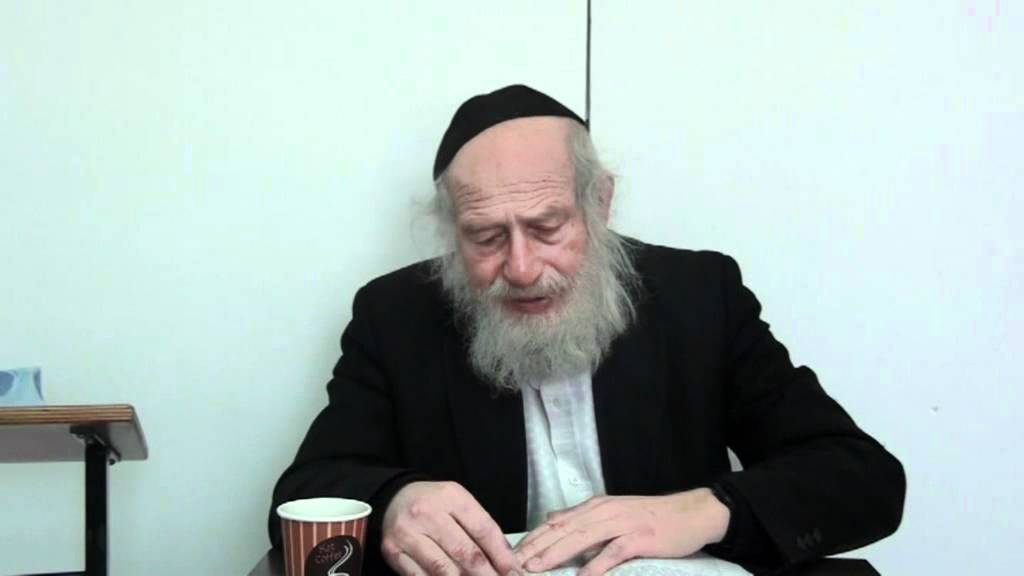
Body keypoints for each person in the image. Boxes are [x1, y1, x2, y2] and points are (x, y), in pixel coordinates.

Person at [269, 85, 905, 576]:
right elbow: (305, 491)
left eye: (547, 228)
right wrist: (393, 501)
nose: (521, 269)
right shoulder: (394, 315)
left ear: (599, 202)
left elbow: (861, 476)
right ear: (452, 233)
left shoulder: (700, 296)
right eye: (486, 237)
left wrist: (707, 510)